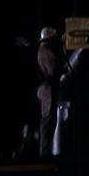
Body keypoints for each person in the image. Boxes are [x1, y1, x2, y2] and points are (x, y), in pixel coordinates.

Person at [35, 26, 60, 158]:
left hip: (45, 89)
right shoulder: (46, 52)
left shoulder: (41, 51)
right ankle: (44, 155)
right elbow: (52, 72)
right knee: (48, 122)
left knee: (48, 122)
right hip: (48, 90)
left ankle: (45, 153)